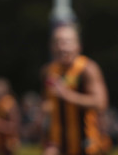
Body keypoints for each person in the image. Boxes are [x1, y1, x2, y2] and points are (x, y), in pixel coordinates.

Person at [42, 22, 112, 155]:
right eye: (57, 42)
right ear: (51, 47)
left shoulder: (87, 69)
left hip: (87, 145)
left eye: (67, 42)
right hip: (59, 145)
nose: (62, 47)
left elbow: (101, 103)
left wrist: (67, 95)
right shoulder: (49, 72)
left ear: (78, 46)